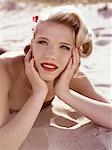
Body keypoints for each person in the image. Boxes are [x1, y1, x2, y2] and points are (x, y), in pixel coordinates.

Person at [0, 5, 112, 150]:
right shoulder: (4, 71)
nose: (51, 55)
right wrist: (39, 93)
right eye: (43, 42)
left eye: (64, 47)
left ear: (75, 54)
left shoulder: (68, 73)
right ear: (32, 44)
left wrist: (66, 94)